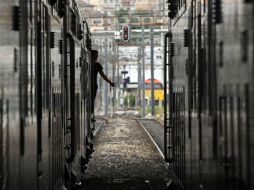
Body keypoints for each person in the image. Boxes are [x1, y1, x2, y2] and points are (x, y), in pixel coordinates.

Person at [91, 49, 115, 119]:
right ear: (91, 55)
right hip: (93, 86)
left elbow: (103, 75)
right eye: (95, 55)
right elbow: (103, 75)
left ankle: (90, 116)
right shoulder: (97, 65)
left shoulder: (87, 63)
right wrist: (110, 82)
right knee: (91, 101)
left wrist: (110, 82)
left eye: (97, 56)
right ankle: (91, 116)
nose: (97, 57)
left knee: (90, 102)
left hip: (91, 86)